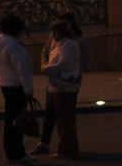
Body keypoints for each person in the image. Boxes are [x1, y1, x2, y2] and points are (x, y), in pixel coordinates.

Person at [0, 14, 35, 163]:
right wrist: (29, 90)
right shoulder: (14, 47)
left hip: (5, 84)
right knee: (17, 121)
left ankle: (11, 152)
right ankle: (18, 153)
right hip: (16, 86)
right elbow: (22, 70)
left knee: (10, 120)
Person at [37, 20, 81, 157]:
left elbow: (64, 63)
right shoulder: (61, 45)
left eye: (54, 32)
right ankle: (69, 147)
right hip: (57, 86)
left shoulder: (68, 45)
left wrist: (47, 69)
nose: (53, 35)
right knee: (63, 118)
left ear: (61, 32)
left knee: (64, 119)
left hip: (63, 86)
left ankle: (66, 149)